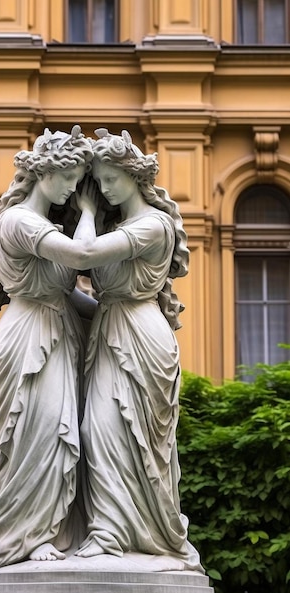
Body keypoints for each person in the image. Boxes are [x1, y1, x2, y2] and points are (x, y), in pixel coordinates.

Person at [42, 127, 202, 570]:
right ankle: (108, 529)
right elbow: (92, 295)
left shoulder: (154, 223)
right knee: (97, 432)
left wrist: (88, 209)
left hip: (140, 335)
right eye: (101, 182)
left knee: (119, 433)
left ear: (134, 175)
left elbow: (87, 253)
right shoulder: (129, 224)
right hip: (110, 327)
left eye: (110, 179)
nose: (105, 188)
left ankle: (123, 535)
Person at [0, 126, 96, 572]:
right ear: (47, 172)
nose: (73, 189)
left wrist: (116, 316)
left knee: (62, 438)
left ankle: (52, 529)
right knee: (35, 436)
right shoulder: (20, 221)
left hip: (57, 331)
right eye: (71, 178)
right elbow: (81, 256)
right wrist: (90, 210)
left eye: (79, 181)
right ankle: (22, 535)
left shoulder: (39, 223)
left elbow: (66, 294)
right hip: (28, 339)